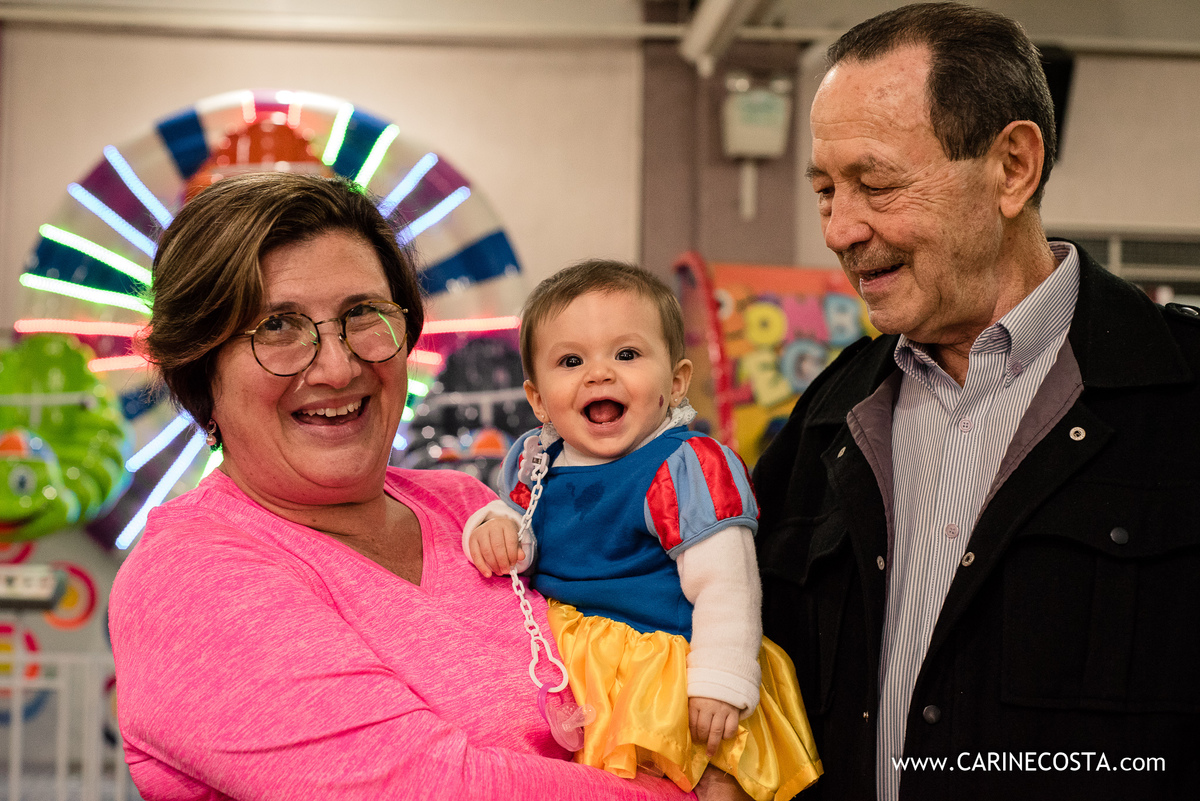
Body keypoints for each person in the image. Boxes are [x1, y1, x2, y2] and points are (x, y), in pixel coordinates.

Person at [108, 173, 699, 800]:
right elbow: (433, 788)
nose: (337, 367)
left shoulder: (470, 508)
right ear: (202, 366)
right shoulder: (191, 574)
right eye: (277, 326)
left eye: (362, 315)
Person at [752, 3, 1200, 800]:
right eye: (825, 190)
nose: (840, 228)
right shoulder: (828, 418)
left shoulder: (1183, 393)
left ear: (1012, 167)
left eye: (875, 183)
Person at [464, 261, 822, 801]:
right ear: (538, 400)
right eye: (570, 361)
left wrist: (720, 680)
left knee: (708, 778)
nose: (599, 374)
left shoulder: (681, 467)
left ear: (676, 382)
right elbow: (520, 531)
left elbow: (727, 585)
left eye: (626, 355)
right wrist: (493, 526)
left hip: (665, 670)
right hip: (572, 669)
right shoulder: (534, 461)